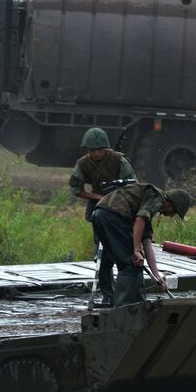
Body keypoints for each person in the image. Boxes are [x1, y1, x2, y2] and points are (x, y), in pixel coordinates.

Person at [91, 180, 192, 306]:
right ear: (171, 205)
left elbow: (147, 242)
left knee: (109, 259)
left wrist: (157, 276)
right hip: (113, 217)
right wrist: (136, 250)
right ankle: (126, 306)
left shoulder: (148, 204)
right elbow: (140, 219)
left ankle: (111, 300)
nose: (171, 216)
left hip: (99, 215)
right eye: (174, 213)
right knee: (132, 263)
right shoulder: (157, 198)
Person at [68, 127, 135, 306]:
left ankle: (126, 294)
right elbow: (76, 188)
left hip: (121, 211)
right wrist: (98, 197)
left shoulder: (119, 160)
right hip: (99, 211)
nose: (95, 153)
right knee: (102, 256)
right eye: (91, 150)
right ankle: (108, 295)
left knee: (123, 254)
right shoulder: (83, 164)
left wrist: (117, 197)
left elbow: (132, 186)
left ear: (105, 148)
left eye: (98, 150)